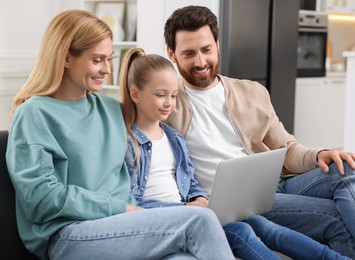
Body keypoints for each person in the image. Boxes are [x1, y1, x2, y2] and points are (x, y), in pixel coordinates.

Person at [163, 5, 355, 260]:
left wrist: (320, 155)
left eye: (206, 50)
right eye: (189, 53)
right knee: (339, 215)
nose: (201, 62)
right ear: (171, 54)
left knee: (349, 168)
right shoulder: (165, 104)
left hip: (276, 184)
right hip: (233, 204)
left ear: (217, 44)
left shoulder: (251, 92)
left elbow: (286, 147)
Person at [5, 9, 235, 260]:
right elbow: (41, 198)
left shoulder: (112, 110)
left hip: (124, 224)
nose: (106, 69)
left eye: (109, 59)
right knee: (199, 221)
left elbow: (160, 106)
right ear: (66, 58)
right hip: (68, 233)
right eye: (97, 60)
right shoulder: (34, 114)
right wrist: (120, 208)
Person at [120, 47, 349, 260]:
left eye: (172, 95)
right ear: (135, 94)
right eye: (161, 95)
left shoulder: (174, 138)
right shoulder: (128, 142)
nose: (169, 103)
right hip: (165, 219)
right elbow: (131, 200)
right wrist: (185, 209)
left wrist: (199, 198)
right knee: (240, 231)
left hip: (193, 212)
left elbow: (189, 183)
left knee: (261, 224)